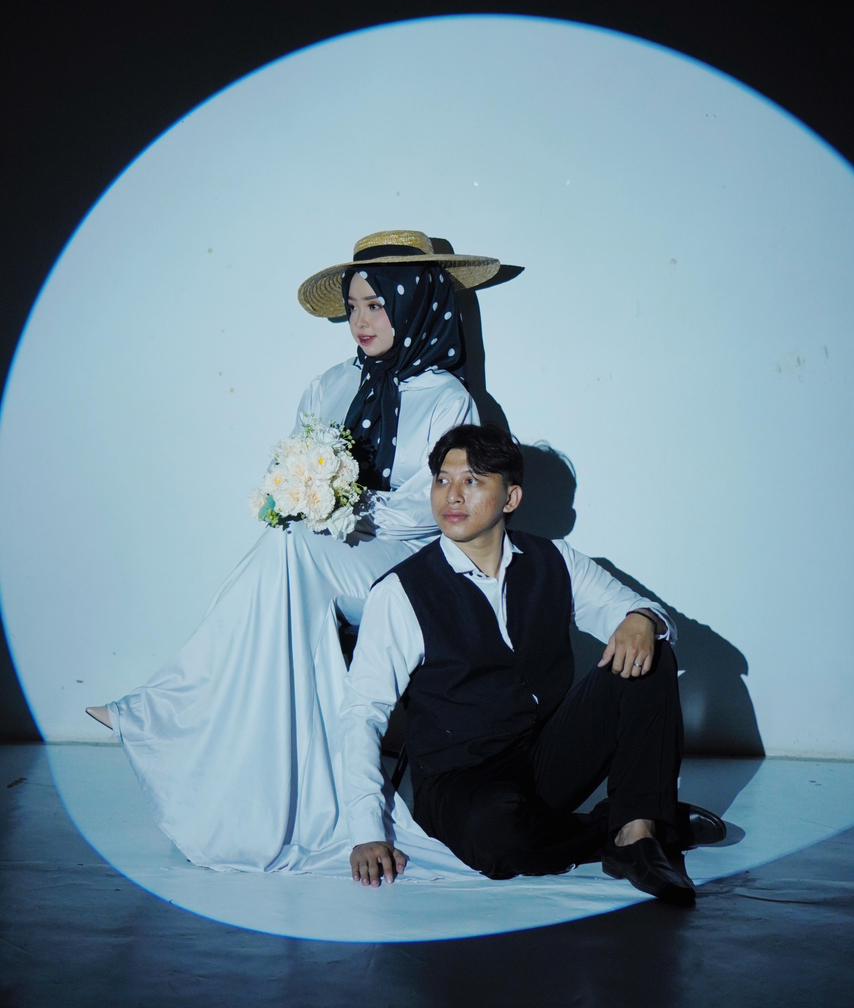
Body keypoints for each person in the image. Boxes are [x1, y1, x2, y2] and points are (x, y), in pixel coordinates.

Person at [86, 230, 512, 871]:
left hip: (403, 568)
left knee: (291, 550)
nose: (360, 322)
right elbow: (291, 467)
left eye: (377, 305)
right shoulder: (328, 385)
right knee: (287, 545)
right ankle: (257, 782)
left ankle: (167, 706)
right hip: (322, 556)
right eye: (353, 307)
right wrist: (302, 499)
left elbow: (439, 508)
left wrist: (344, 509)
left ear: (415, 303)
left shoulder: (447, 398)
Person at [343, 423, 722, 905]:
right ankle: (636, 822)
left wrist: (642, 618)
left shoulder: (554, 560)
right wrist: (366, 832)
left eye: (472, 481)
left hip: (544, 759)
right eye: (442, 480)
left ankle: (637, 835)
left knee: (649, 648)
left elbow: (639, 613)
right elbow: (363, 713)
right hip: (462, 781)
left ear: (511, 497)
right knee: (500, 841)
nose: (452, 496)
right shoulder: (400, 593)